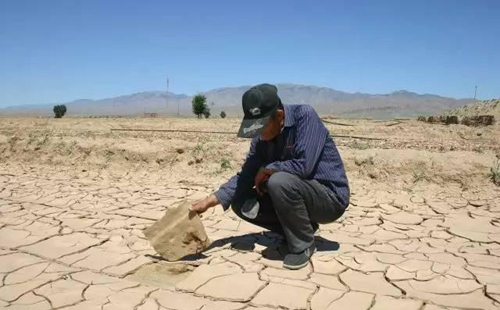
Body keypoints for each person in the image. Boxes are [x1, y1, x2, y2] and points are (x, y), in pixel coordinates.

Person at [190, 83, 350, 270]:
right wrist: (209, 201)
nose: (257, 133)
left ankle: (303, 245)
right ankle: (299, 230)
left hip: (329, 199)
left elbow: (304, 166)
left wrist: (269, 168)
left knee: (278, 180)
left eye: (262, 127)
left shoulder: (305, 116)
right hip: (297, 195)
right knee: (241, 201)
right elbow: (246, 175)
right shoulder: (261, 139)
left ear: (280, 116)